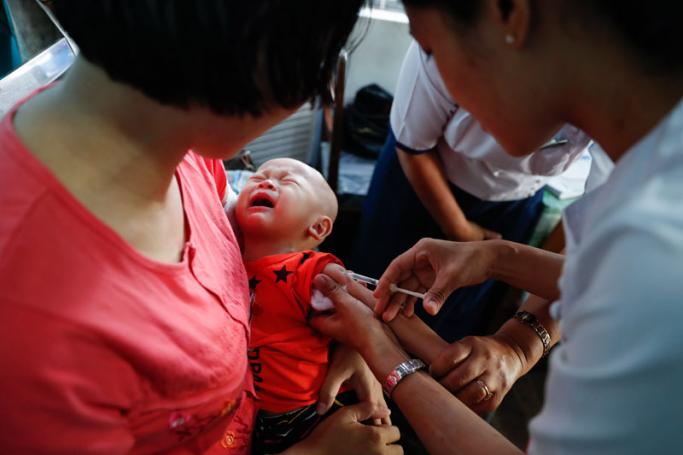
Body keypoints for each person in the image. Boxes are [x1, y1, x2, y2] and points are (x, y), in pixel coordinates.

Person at [0, 2, 403, 454]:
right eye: (318, 63)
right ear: (261, 58)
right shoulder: (32, 328)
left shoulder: (175, 143)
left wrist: (341, 335)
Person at [311, 0, 683, 454]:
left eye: (430, 47)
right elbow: (609, 275)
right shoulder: (650, 158)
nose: (437, 81)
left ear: (509, 15)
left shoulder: (658, 245)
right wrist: (496, 263)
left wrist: (385, 356)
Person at [352, 40, 591, 343]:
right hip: (418, 191)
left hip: (512, 207)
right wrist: (461, 229)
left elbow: (593, 253)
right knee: (380, 301)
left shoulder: (622, 97)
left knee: (454, 315)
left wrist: (521, 347)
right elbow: (414, 148)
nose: (487, 129)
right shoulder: (444, 39)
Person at [234, 158, 388, 453]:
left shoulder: (311, 271)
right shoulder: (232, 258)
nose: (265, 182)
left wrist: (359, 348)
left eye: (287, 181)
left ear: (318, 227)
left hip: (307, 412)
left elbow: (371, 311)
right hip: (251, 412)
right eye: (258, 177)